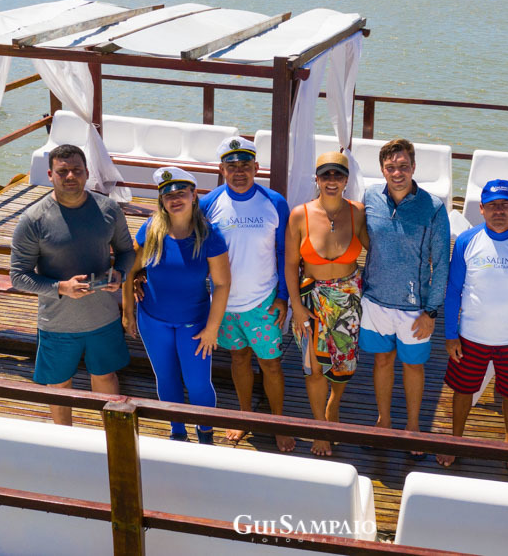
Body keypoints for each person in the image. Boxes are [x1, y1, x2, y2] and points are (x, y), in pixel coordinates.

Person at [10, 144, 135, 427]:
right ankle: (64, 441)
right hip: (57, 323)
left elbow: (128, 252)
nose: (70, 176)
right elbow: (18, 276)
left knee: (106, 377)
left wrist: (120, 274)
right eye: (63, 171)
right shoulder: (33, 219)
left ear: (87, 173)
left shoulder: (108, 208)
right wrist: (61, 288)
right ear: (50, 174)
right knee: (59, 385)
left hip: (103, 318)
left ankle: (112, 437)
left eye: (76, 170)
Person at [436, 179, 508, 474]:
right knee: (462, 391)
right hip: (470, 336)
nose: (500, 211)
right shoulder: (466, 241)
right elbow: (453, 290)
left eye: (506, 205)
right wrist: (450, 335)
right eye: (493, 206)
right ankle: (455, 441)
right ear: (481, 209)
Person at [123, 167, 231, 444]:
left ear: (194, 195)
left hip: (194, 325)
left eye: (181, 192)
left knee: (197, 384)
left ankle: (205, 433)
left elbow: (221, 284)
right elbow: (129, 270)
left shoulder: (210, 235)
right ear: (161, 200)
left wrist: (212, 329)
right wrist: (128, 312)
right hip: (152, 320)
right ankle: (178, 431)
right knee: (167, 379)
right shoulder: (150, 229)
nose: (175, 199)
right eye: (168, 194)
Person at [200, 136, 294, 452]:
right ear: (221, 169)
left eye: (245, 165)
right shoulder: (208, 203)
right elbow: (188, 246)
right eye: (231, 166)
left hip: (264, 301)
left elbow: (284, 251)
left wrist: (283, 296)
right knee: (239, 358)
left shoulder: (275, 202)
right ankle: (245, 416)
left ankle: (277, 422)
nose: (239, 172)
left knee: (271, 364)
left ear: (257, 167)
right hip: (224, 305)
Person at [360, 139, 450, 460]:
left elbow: (441, 264)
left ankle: (413, 427)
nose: (397, 172)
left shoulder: (435, 207)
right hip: (374, 301)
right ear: (382, 169)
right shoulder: (369, 197)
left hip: (416, 309)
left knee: (413, 366)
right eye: (390, 167)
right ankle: (384, 422)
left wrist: (431, 311)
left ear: (414, 168)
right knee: (382, 361)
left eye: (403, 166)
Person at [284, 151, 370, 456]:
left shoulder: (359, 212)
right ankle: (320, 426)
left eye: (338, 175)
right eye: (325, 175)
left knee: (343, 364)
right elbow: (291, 264)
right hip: (311, 301)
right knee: (314, 369)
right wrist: (295, 306)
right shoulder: (299, 214)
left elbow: (380, 248)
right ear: (317, 179)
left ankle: (333, 405)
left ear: (347, 180)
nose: (331, 181)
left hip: (348, 302)